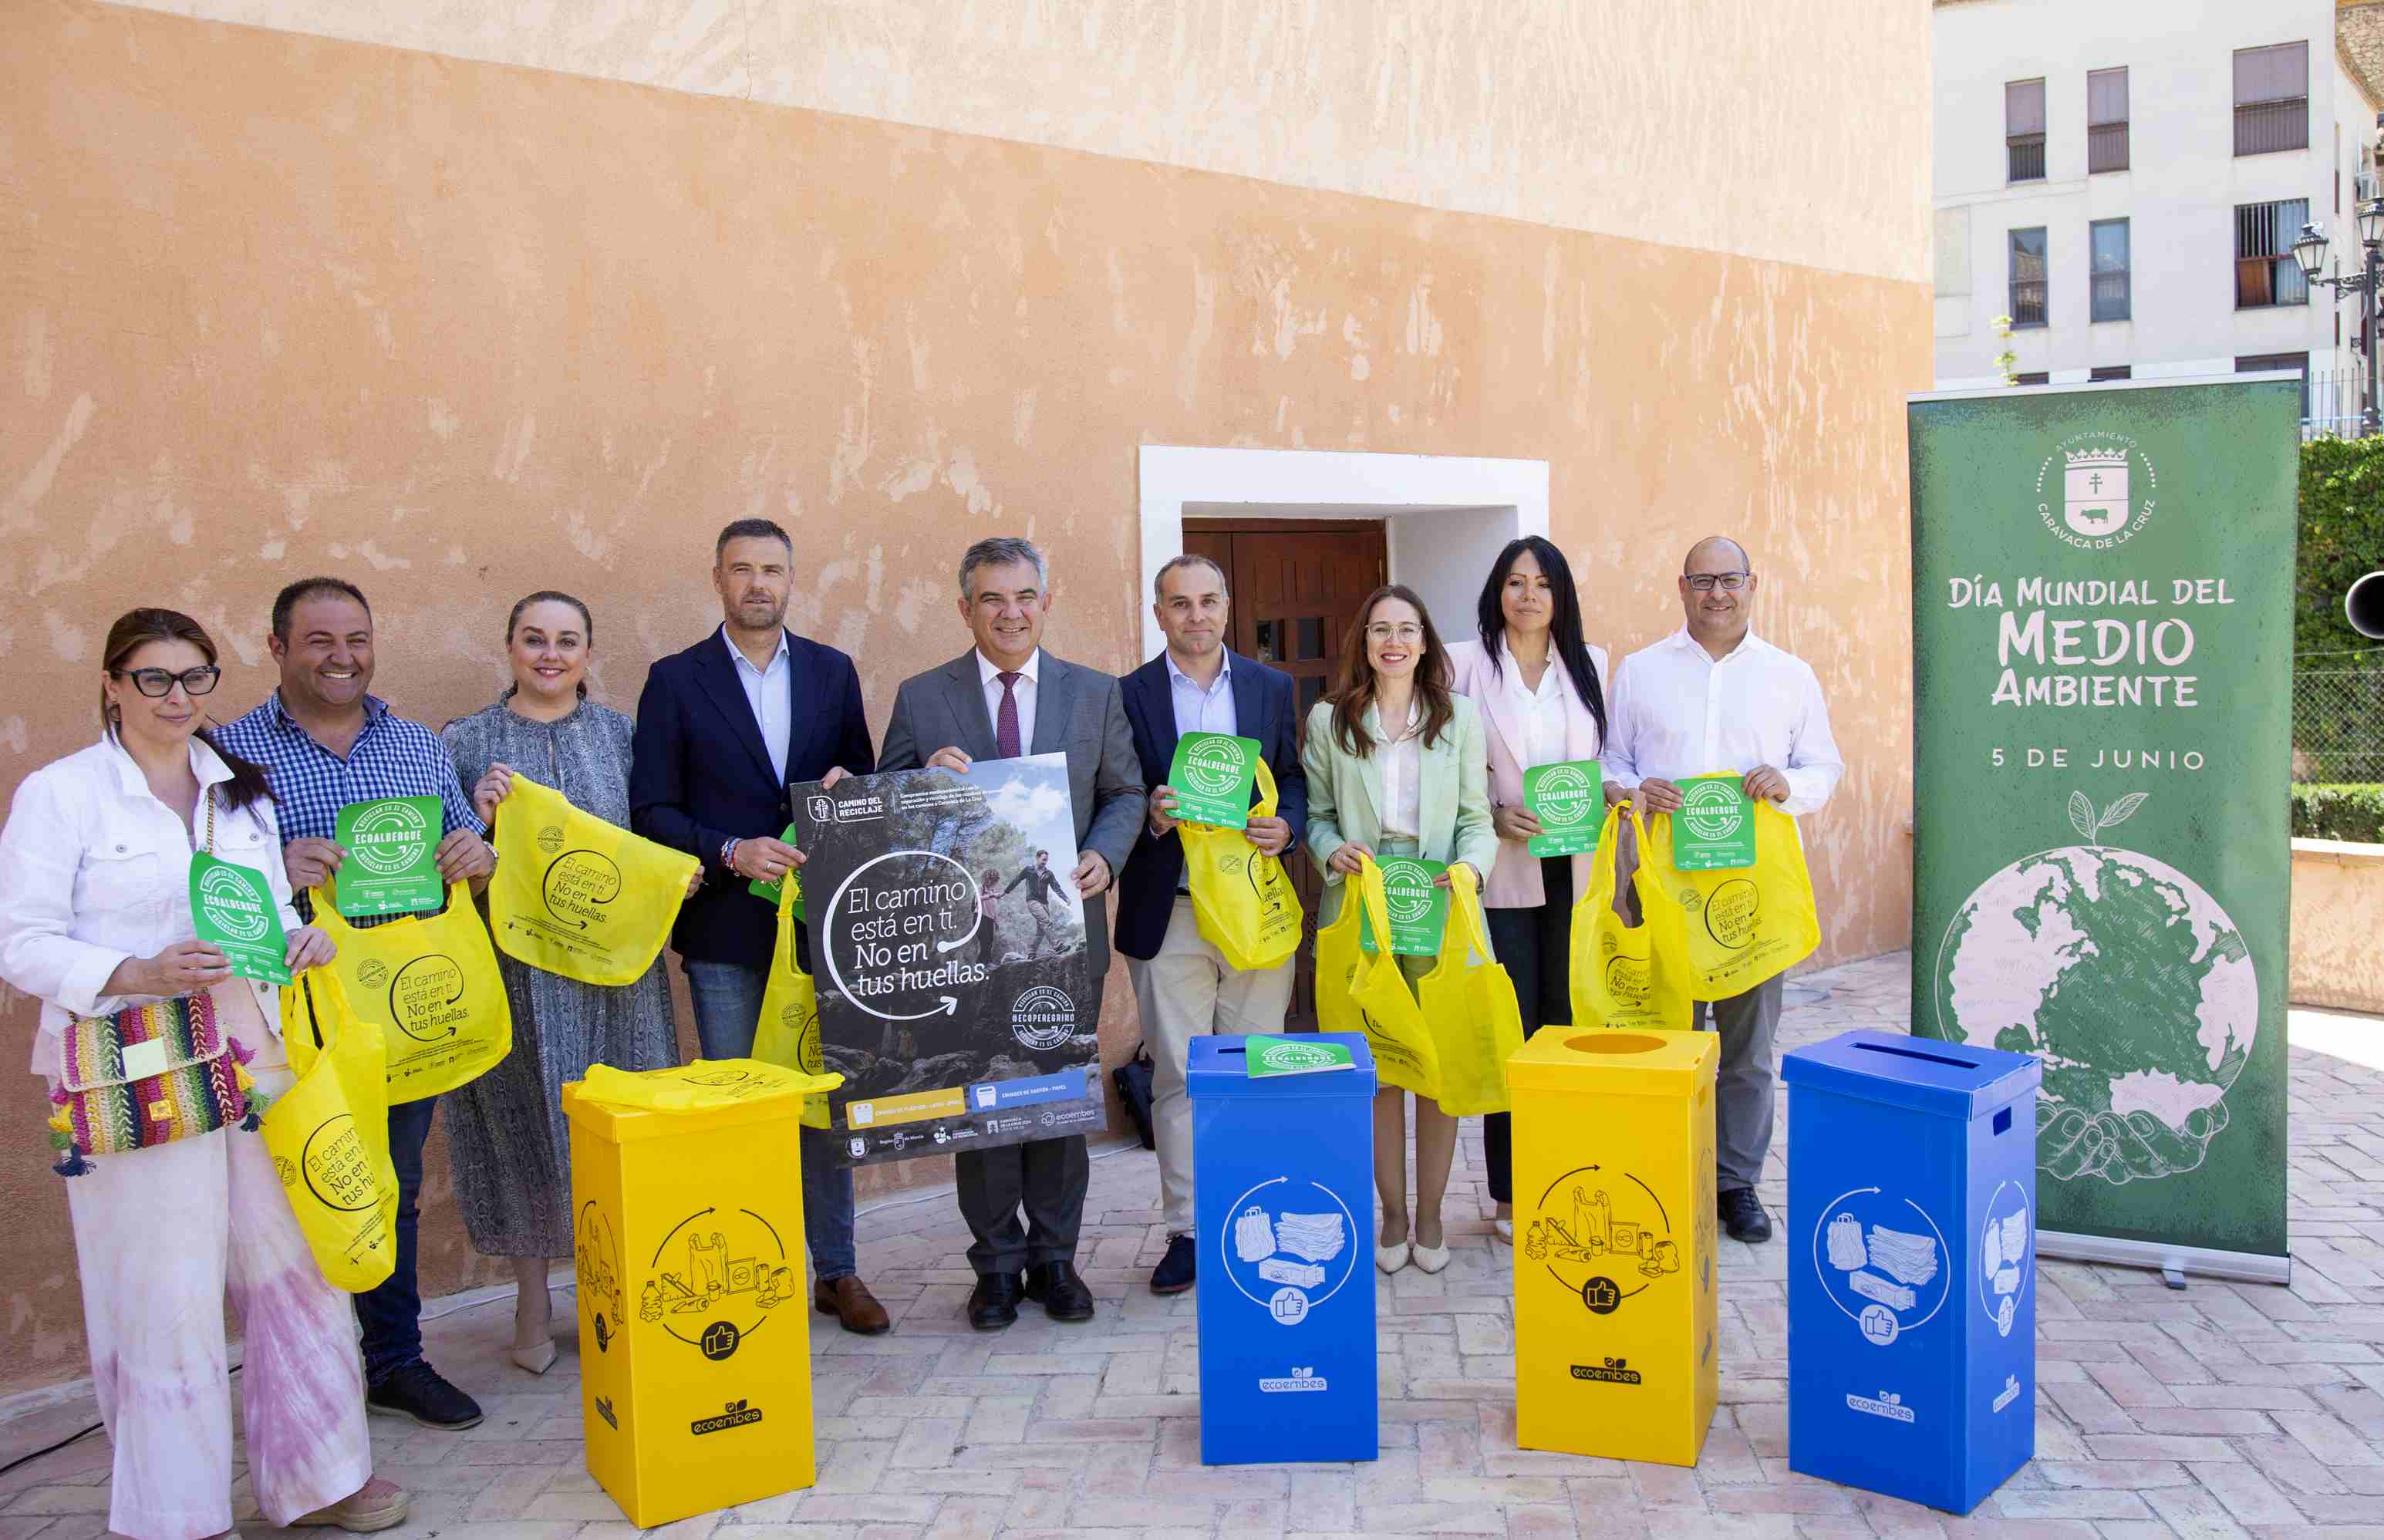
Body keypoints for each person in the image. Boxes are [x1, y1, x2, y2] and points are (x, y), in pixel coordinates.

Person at [0, 608, 407, 1538]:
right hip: (132, 1064)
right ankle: (175, 1511)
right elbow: (18, 939)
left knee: (299, 1265)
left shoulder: (239, 792)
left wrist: (298, 937)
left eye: (194, 677)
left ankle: (321, 1476)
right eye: (154, 678)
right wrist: (131, 972)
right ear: (111, 683)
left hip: (255, 1052)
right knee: (162, 1286)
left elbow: (260, 912)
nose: (177, 697)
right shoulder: (63, 795)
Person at [213, 578, 495, 1432]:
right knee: (302, 1187)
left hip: (406, 1005)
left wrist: (470, 853)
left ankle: (394, 1361)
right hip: (287, 1011)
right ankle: (310, 1370)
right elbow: (205, 889)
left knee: (394, 1186)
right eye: (320, 640)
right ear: (276, 647)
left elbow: (470, 861)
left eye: (357, 639)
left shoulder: (415, 743)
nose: (342, 656)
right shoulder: (228, 755)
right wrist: (272, 869)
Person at [627, 518, 889, 1336]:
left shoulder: (831, 670)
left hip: (820, 935)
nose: (757, 584)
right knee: (742, 1105)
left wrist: (853, 785)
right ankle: (753, 1270)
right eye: (741, 569)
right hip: (726, 933)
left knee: (823, 1103)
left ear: (791, 578)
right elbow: (652, 809)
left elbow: (866, 780)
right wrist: (729, 849)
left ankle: (836, 1270)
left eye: (771, 569)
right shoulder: (675, 680)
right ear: (717, 579)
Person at [878, 535, 1142, 1330]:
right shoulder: (924, 697)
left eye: (1024, 595)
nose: (1010, 611)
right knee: (984, 1091)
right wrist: (924, 781)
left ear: (1045, 602)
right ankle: (995, 1267)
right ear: (965, 608)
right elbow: (885, 799)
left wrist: (1102, 852)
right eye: (992, 597)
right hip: (968, 936)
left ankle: (1056, 1260)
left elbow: (1125, 790)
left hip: (1066, 927)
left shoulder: (1093, 693)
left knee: (1058, 1092)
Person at [441, 592, 702, 1374]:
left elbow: (654, 830)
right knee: (520, 1125)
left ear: (589, 651)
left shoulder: (624, 736)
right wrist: (479, 822)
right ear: (509, 645)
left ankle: (615, 1290)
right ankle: (531, 1295)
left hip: (617, 977)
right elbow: (442, 863)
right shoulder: (467, 740)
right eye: (533, 639)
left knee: (620, 1124)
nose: (549, 654)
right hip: (516, 973)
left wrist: (673, 877)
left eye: (566, 640)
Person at [1603, 536, 1843, 1244]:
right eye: (1702, 580)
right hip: (1659, 885)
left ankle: (1735, 1182)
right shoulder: (1641, 672)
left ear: (1752, 584)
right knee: (1664, 1036)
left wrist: (1787, 784)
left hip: (1752, 896)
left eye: (1729, 579)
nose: (1717, 593)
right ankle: (1663, 1176)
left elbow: (1824, 766)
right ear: (1681, 588)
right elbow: (1611, 756)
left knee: (1747, 1047)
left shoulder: (1790, 675)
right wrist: (1631, 787)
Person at [1116, 552, 1305, 1295]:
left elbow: (1291, 774)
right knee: (1181, 1075)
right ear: (1158, 613)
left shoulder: (1270, 686)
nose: (1195, 616)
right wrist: (1151, 817)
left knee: (1256, 1066)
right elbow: (1115, 788)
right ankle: (1190, 1231)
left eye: (1207, 601)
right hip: (1173, 910)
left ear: (1227, 607)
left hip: (1255, 907)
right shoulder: (1127, 694)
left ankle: (1252, 1218)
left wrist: (1285, 824)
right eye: (1178, 603)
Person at [1300, 584, 1497, 1275]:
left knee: (1436, 1068)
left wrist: (1471, 869)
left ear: (1424, 641)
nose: (1393, 640)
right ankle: (1391, 1213)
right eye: (1380, 628)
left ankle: (1434, 1212)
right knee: (1380, 1067)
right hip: (1364, 902)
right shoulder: (1330, 719)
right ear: (1364, 640)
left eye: (1406, 628)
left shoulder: (1460, 718)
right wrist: (1331, 851)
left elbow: (1476, 816)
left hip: (1440, 899)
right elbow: (1317, 814)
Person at [1444, 537, 1609, 1245]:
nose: (1528, 595)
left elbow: (1612, 758)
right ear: (1496, 592)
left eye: (1541, 583)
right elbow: (1443, 757)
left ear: (1560, 594)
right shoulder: (1462, 663)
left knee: (1565, 1019)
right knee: (1511, 1027)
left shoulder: (1593, 664)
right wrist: (1489, 805)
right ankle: (1512, 1192)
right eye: (1514, 582)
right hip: (1503, 866)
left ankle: (1566, 1173)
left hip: (1574, 865)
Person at [1005, 850, 1068, 957]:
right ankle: (1058, 946)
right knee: (1046, 922)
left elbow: (1056, 887)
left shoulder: (1049, 873)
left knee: (1041, 931)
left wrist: (1065, 898)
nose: (1045, 862)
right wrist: (1006, 891)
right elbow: (1017, 880)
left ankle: (1031, 952)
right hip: (1033, 901)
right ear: (1037, 858)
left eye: (1046, 860)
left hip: (1044, 903)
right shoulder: (1029, 870)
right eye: (1043, 859)